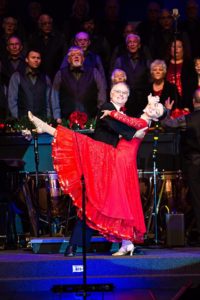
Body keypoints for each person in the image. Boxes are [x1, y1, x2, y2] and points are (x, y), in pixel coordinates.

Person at [28, 85, 165, 255]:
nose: (121, 95)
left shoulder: (129, 117)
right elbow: (120, 127)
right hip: (102, 158)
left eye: (125, 93)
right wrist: (128, 126)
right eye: (118, 92)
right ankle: (121, 242)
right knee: (76, 143)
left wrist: (129, 124)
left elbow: (131, 125)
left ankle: (123, 242)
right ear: (111, 94)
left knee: (99, 203)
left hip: (112, 161)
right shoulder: (107, 107)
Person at [162, 88, 200, 246]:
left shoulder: (189, 119)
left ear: (193, 102)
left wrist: (167, 111)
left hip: (194, 164)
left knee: (198, 200)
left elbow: (166, 124)